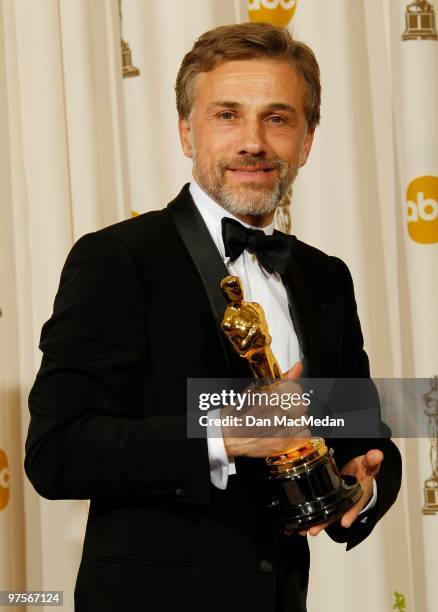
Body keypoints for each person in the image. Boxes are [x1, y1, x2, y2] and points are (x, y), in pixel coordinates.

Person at [24, 22, 402, 612]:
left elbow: (360, 427)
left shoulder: (326, 276)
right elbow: (58, 452)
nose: (253, 141)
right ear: (186, 132)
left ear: (306, 141)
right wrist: (226, 434)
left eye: (278, 118)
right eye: (227, 115)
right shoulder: (119, 258)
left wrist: (364, 483)